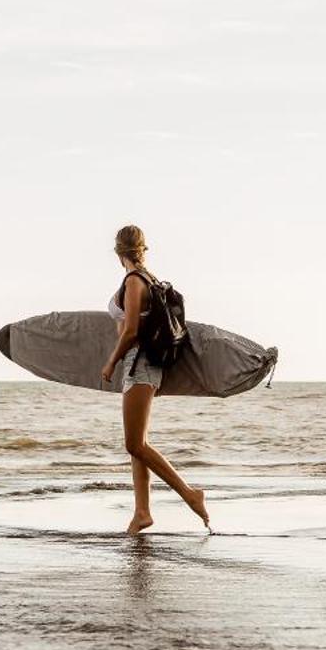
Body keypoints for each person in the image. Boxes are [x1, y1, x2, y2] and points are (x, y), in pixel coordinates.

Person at [100, 224, 210, 535]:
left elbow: (132, 330)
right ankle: (142, 511)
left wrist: (111, 361)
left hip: (139, 363)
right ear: (142, 249)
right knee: (137, 445)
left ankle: (190, 494)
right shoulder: (150, 279)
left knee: (135, 443)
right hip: (142, 365)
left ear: (119, 252)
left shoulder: (134, 281)